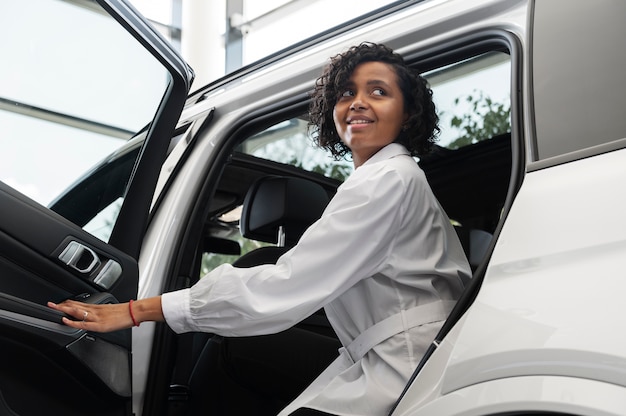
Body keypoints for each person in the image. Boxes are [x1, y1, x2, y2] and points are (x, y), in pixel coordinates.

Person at [49, 42, 471, 416]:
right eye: (347, 92)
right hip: (400, 359)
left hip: (404, 365)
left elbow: (282, 286)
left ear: (408, 112)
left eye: (378, 92)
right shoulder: (390, 179)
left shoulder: (387, 181)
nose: (358, 102)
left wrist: (133, 311)